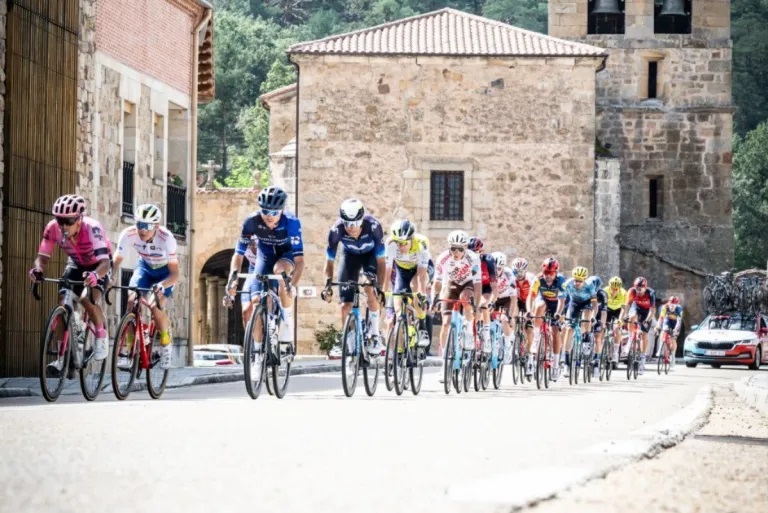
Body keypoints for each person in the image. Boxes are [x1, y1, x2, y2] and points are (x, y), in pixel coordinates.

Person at [28, 194, 113, 374]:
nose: (64, 226)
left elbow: (105, 263)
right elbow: (42, 257)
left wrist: (96, 276)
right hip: (76, 263)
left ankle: (100, 333)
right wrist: (38, 270)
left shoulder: (92, 228)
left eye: (69, 221)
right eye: (60, 220)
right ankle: (61, 357)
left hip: (99, 265)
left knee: (86, 299)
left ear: (79, 219)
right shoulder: (53, 228)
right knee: (63, 300)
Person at [226, 186, 304, 354]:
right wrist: (232, 278)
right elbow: (238, 255)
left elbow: (300, 261)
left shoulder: (291, 222)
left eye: (275, 212)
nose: (269, 216)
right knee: (255, 302)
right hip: (265, 255)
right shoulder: (251, 221)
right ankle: (257, 351)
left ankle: (287, 323)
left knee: (280, 271)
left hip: (286, 254)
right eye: (265, 211)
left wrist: (293, 284)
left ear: (282, 210)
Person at [112, 204, 179, 370]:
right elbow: (117, 259)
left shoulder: (166, 238)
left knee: (155, 306)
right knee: (131, 300)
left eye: (147, 226)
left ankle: (165, 343)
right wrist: (111, 275)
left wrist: (163, 285)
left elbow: (175, 274)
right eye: (139, 224)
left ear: (156, 226)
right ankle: (128, 348)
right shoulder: (128, 234)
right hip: (145, 268)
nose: (142, 230)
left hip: (165, 274)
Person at [321, 198, 386, 356]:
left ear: (362, 220)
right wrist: (327, 286)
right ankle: (348, 341)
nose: (351, 228)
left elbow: (382, 262)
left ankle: (375, 335)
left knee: (369, 288)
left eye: (355, 223)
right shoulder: (336, 230)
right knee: (345, 305)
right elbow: (329, 262)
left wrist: (380, 288)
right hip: (349, 256)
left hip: (370, 257)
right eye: (347, 223)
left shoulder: (374, 227)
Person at [432, 230, 482, 378]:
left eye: (460, 249)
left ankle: (467, 330)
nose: (456, 252)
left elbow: (478, 285)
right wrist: (434, 298)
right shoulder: (443, 258)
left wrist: (477, 306)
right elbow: (437, 282)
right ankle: (444, 362)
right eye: (453, 248)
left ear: (466, 247)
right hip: (451, 284)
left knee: (466, 298)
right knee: (446, 322)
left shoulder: (473, 259)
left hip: (468, 283)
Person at [383, 219, 431, 348]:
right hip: (402, 271)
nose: (401, 246)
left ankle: (422, 325)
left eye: (404, 243)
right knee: (398, 307)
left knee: (415, 287)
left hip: (419, 270)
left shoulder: (421, 243)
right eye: (398, 243)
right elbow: (387, 271)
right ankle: (399, 350)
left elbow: (421, 275)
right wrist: (384, 291)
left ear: (411, 239)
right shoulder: (390, 244)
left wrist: (421, 294)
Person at [527, 257, 567, 381]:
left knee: (555, 332)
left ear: (556, 273)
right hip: (543, 301)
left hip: (557, 305)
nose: (548, 276)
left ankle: (555, 364)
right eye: (546, 273)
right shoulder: (538, 280)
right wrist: (529, 310)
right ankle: (536, 337)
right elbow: (531, 297)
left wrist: (559, 313)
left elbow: (562, 300)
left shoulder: (561, 281)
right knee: (539, 306)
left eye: (551, 273)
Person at [561, 266, 597, 378]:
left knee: (587, 315)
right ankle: (566, 362)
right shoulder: (568, 284)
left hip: (586, 303)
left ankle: (586, 340)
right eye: (576, 280)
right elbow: (562, 300)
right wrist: (562, 313)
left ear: (584, 280)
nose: (577, 283)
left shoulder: (590, 285)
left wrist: (593, 316)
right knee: (569, 328)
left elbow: (595, 304)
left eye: (580, 281)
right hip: (574, 303)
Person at [467, 237, 498, 353]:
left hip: (486, 287)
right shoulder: (465, 259)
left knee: (484, 305)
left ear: (481, 252)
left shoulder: (489, 261)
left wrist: (491, 302)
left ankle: (486, 336)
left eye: (475, 253)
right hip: (471, 285)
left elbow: (494, 287)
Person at [624, 276, 656, 375]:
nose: (638, 291)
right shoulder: (632, 291)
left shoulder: (650, 293)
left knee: (643, 334)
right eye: (637, 288)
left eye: (640, 289)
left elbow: (652, 310)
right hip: (636, 307)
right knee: (631, 316)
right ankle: (630, 337)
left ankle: (642, 358)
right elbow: (628, 305)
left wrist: (648, 320)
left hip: (647, 312)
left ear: (645, 287)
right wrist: (625, 315)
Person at [512, 257, 537, 376]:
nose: (518, 274)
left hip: (529, 301)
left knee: (529, 331)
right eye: (516, 271)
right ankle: (515, 338)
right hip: (517, 301)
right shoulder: (511, 278)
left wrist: (530, 311)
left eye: (521, 272)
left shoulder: (531, 278)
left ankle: (529, 355)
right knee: (514, 315)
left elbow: (533, 297)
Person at [491, 252, 518, 361]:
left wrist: (511, 316)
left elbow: (514, 298)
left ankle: (508, 345)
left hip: (507, 298)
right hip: (494, 297)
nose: (496, 271)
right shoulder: (488, 273)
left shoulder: (509, 274)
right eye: (494, 268)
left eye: (499, 269)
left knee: (504, 319)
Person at [604, 276, 627, 367]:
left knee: (616, 328)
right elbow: (601, 306)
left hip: (618, 310)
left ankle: (616, 353)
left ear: (619, 288)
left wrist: (620, 320)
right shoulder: (604, 291)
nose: (613, 291)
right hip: (607, 309)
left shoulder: (624, 293)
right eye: (612, 289)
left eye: (616, 289)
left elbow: (623, 309)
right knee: (602, 328)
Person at [587, 276, 608, 377]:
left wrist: (603, 325)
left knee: (597, 337)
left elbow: (604, 311)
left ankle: (597, 361)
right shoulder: (586, 291)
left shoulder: (602, 294)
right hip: (588, 313)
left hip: (599, 315)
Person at [656, 296, 683, 368]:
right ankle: (660, 349)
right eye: (671, 305)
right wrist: (658, 326)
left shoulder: (679, 309)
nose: (672, 307)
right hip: (667, 320)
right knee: (664, 330)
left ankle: (673, 356)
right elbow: (661, 318)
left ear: (676, 305)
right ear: (669, 303)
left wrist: (676, 329)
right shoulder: (665, 307)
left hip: (675, 322)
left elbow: (679, 321)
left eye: (674, 305)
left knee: (673, 338)